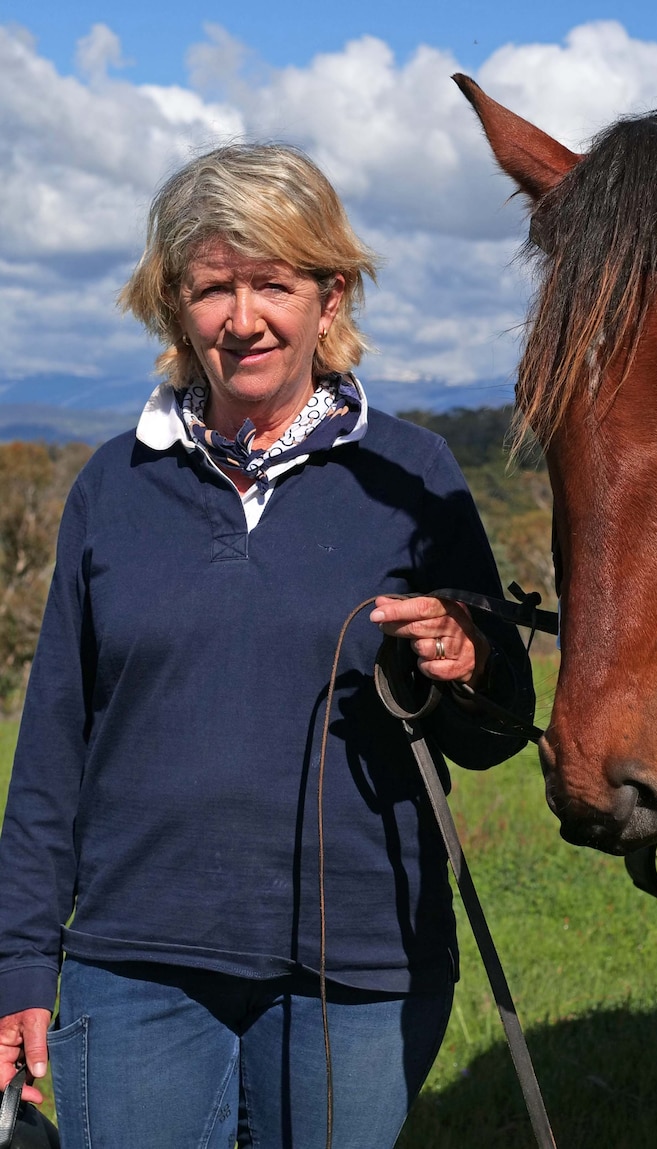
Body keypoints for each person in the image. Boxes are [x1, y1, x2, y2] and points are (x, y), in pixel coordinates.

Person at [0, 143, 535, 1148]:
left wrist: (470, 668)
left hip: (359, 968)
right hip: (132, 965)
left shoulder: (413, 476)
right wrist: (21, 963)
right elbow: (50, 755)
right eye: (211, 288)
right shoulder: (112, 487)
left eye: (272, 284)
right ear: (174, 307)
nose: (242, 318)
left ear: (329, 298)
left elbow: (497, 734)